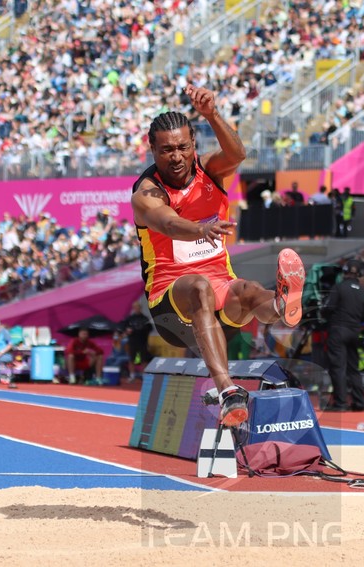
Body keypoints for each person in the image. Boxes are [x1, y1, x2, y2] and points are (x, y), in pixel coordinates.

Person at [130, 84, 306, 428]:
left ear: (194, 145)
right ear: (152, 150)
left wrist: (211, 114)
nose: (176, 156)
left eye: (183, 147)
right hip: (171, 306)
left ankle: (282, 305)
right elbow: (167, 221)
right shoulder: (146, 193)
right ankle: (227, 391)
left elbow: (238, 154)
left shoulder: (209, 171)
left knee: (249, 290)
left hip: (220, 299)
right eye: (166, 150)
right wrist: (199, 229)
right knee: (198, 287)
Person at [323, 259, 364, 411]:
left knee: (338, 367)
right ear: (359, 274)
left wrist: (326, 315)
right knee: (353, 368)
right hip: (354, 331)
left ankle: (341, 403)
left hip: (338, 329)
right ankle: (359, 402)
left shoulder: (339, 288)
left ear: (345, 272)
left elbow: (327, 308)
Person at [120, 301, 153, 381]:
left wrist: (143, 329)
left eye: (138, 307)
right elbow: (123, 327)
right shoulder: (129, 318)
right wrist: (127, 331)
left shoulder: (145, 318)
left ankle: (144, 375)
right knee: (131, 359)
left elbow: (150, 328)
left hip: (142, 341)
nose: (137, 309)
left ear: (140, 308)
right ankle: (132, 375)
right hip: (132, 341)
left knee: (144, 359)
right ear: (133, 308)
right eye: (135, 307)